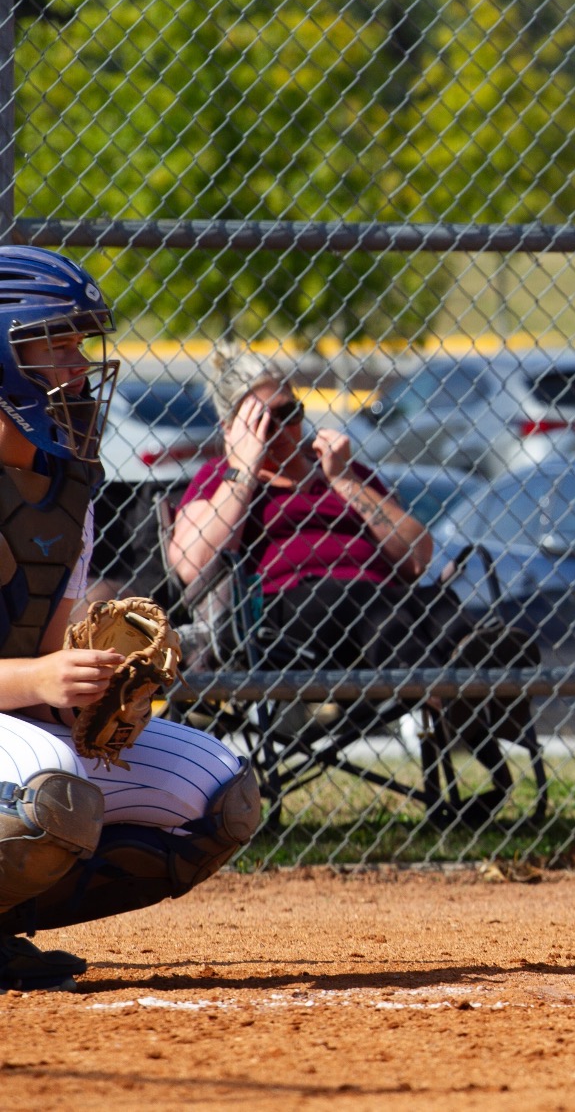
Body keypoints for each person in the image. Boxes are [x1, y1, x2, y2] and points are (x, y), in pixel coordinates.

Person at [0, 247, 258, 991]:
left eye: (81, 342)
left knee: (218, 794)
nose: (79, 364)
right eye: (57, 342)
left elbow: (42, 644)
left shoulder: (64, 489)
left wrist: (89, 685)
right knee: (51, 795)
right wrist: (39, 676)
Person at [168, 355, 435, 673]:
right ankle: (435, 689)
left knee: (442, 608)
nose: (280, 429)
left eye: (288, 413)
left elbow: (417, 555)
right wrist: (243, 471)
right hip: (288, 609)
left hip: (382, 599)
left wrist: (343, 480)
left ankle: (489, 676)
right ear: (230, 429)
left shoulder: (342, 468)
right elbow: (193, 565)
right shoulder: (219, 477)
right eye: (262, 421)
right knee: (359, 598)